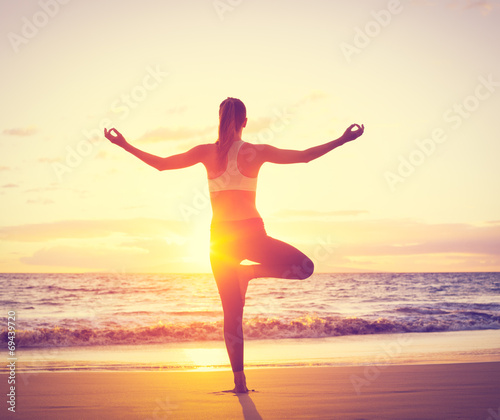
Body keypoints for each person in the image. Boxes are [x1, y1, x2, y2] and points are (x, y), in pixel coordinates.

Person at [104, 97, 364, 393]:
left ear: (220, 120)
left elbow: (162, 165)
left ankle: (240, 383)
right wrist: (343, 139)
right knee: (305, 267)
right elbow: (304, 156)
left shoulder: (205, 152)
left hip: (220, 242)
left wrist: (124, 145)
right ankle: (250, 276)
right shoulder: (256, 151)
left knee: (232, 315)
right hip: (252, 235)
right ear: (245, 122)